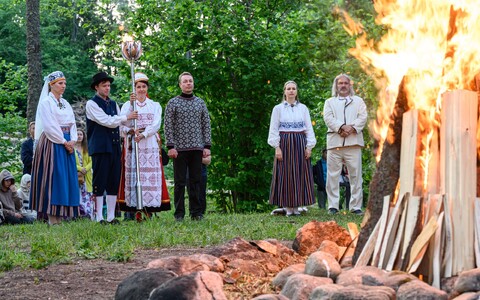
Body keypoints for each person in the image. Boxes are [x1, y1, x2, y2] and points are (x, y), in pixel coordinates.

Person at [86, 71, 138, 224]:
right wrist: (126, 117)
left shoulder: (114, 104)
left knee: (113, 181)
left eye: (109, 85)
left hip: (114, 145)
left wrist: (129, 112)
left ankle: (110, 216)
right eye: (104, 85)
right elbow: (107, 121)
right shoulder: (92, 104)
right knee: (99, 181)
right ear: (97, 87)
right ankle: (98, 216)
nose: (107, 88)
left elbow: (120, 123)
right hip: (100, 146)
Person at [30, 71, 80, 225]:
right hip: (52, 143)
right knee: (54, 179)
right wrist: (63, 142)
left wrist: (72, 140)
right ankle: (52, 218)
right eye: (60, 83)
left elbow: (72, 123)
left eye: (64, 83)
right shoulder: (46, 103)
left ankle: (60, 216)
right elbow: (49, 125)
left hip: (67, 143)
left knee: (65, 179)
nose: (63, 86)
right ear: (51, 85)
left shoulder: (65, 103)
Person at [164, 72, 211, 221]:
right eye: (185, 81)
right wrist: (170, 146)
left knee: (196, 181)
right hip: (179, 149)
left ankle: (196, 213)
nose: (188, 83)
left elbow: (206, 125)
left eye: (190, 81)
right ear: (180, 84)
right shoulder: (173, 103)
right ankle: (179, 214)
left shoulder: (200, 103)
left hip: (197, 148)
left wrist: (207, 146)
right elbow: (168, 126)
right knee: (179, 182)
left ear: (193, 83)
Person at [119, 72, 167, 216]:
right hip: (133, 143)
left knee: (149, 177)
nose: (141, 89)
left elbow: (156, 124)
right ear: (134, 89)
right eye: (138, 87)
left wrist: (144, 134)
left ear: (147, 88)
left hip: (149, 142)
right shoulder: (128, 105)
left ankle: (150, 210)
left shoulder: (154, 105)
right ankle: (134, 210)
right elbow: (121, 125)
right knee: (134, 175)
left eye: (143, 87)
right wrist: (132, 131)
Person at [267, 80, 316, 216]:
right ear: (284, 91)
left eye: (293, 88)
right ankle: (288, 207)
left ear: (296, 91)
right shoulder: (278, 109)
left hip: (300, 142)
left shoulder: (303, 108)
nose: (291, 91)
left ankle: (297, 206)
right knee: (286, 174)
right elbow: (274, 129)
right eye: (288, 88)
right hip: (285, 143)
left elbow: (309, 128)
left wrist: (309, 146)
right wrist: (277, 147)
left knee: (300, 173)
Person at [323, 73, 367, 215]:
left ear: (350, 85)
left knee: (355, 176)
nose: (343, 86)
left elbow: (363, 117)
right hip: (334, 143)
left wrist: (351, 128)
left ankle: (355, 207)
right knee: (332, 176)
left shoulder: (358, 101)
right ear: (336, 85)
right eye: (340, 83)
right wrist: (341, 127)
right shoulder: (329, 102)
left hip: (353, 143)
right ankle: (333, 206)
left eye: (345, 83)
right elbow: (328, 118)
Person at [75, 128, 94, 219]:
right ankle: (78, 215)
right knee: (77, 195)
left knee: (87, 195)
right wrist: (79, 168)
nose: (79, 136)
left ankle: (88, 215)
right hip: (76, 176)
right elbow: (70, 163)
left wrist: (85, 169)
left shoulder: (88, 148)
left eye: (80, 134)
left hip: (87, 176)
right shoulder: (72, 149)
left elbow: (91, 161)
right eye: (77, 134)